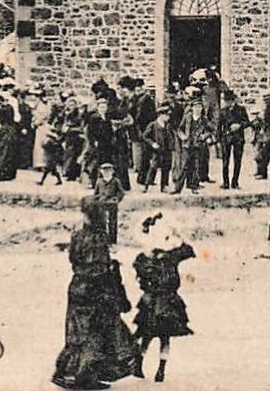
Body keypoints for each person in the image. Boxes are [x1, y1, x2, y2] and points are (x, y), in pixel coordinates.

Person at [52, 196, 142, 389]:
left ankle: (64, 372)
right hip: (96, 290)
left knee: (77, 333)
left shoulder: (77, 235)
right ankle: (85, 378)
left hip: (77, 287)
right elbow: (100, 269)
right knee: (97, 333)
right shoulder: (99, 238)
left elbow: (73, 259)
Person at [132, 212, 195, 383]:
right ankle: (161, 370)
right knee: (165, 337)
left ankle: (139, 364)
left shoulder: (145, 258)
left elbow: (138, 273)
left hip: (150, 301)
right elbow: (189, 250)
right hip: (169, 301)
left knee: (146, 335)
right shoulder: (172, 257)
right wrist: (178, 235)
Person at [218, 89, 249, 189]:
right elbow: (219, 127)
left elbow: (247, 122)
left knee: (237, 161)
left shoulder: (241, 109)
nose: (226, 103)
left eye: (228, 101)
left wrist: (239, 125)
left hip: (238, 138)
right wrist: (218, 140)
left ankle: (235, 182)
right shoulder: (222, 111)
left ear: (233, 100)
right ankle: (225, 182)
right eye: (225, 101)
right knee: (225, 161)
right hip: (226, 138)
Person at [95, 161, 126, 244]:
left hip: (112, 204)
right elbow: (96, 193)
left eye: (109, 170)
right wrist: (97, 201)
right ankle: (103, 239)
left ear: (112, 171)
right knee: (102, 222)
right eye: (104, 171)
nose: (107, 173)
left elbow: (121, 193)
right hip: (102, 204)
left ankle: (112, 239)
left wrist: (117, 199)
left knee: (113, 222)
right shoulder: (99, 182)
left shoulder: (116, 181)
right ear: (101, 172)